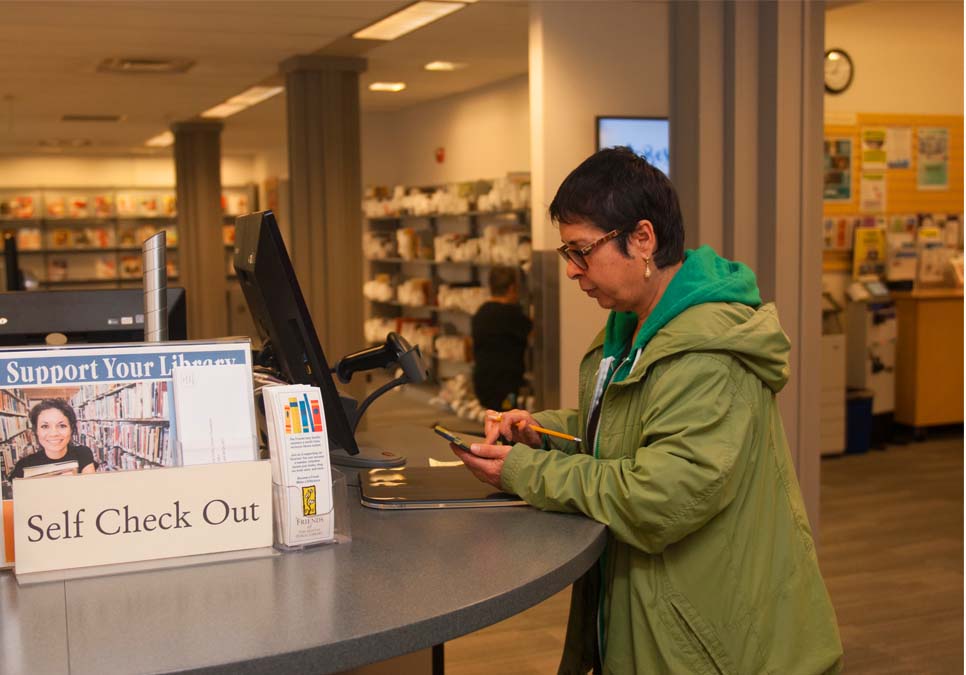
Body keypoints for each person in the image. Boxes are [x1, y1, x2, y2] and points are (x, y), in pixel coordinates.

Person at [452, 147, 843, 674]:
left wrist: (526, 472)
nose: (572, 271)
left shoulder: (704, 354)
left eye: (581, 251)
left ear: (642, 239)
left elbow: (662, 498)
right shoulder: (635, 327)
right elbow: (628, 426)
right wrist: (541, 432)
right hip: (658, 610)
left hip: (710, 637)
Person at [471, 265, 532, 411]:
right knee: (506, 417)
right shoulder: (511, 314)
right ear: (511, 288)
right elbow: (532, 332)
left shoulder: (482, 312)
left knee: (494, 417)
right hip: (505, 384)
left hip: (482, 379)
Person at [8, 398, 96, 479]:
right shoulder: (24, 466)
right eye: (45, 426)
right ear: (36, 431)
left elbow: (91, 490)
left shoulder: (83, 454)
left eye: (62, 426)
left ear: (71, 429)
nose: (54, 434)